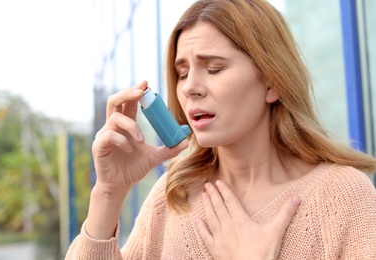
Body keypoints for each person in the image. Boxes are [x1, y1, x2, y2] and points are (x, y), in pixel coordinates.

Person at [66, 0, 376, 259]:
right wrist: (108, 194)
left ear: (273, 82)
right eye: (182, 73)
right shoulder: (174, 196)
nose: (190, 88)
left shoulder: (343, 196)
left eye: (214, 68)